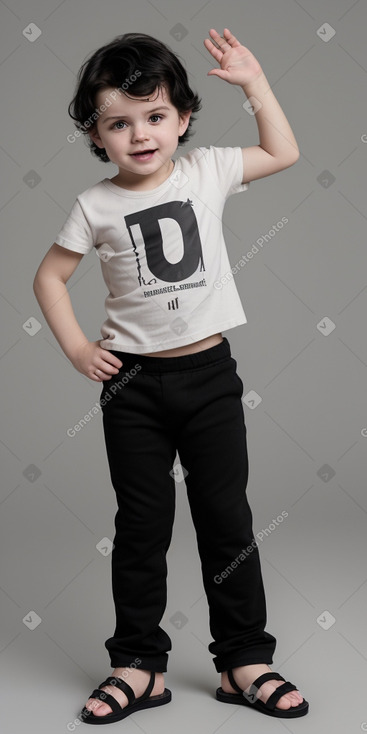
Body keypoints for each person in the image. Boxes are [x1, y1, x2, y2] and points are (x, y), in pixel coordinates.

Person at [33, 27, 309, 725]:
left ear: (182, 118)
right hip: (131, 389)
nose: (140, 134)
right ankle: (137, 665)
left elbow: (283, 150)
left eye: (154, 116)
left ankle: (244, 658)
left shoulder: (207, 169)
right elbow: (49, 277)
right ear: (97, 137)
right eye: (118, 123)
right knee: (141, 526)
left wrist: (254, 84)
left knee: (226, 520)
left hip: (209, 378)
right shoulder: (95, 204)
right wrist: (74, 348)